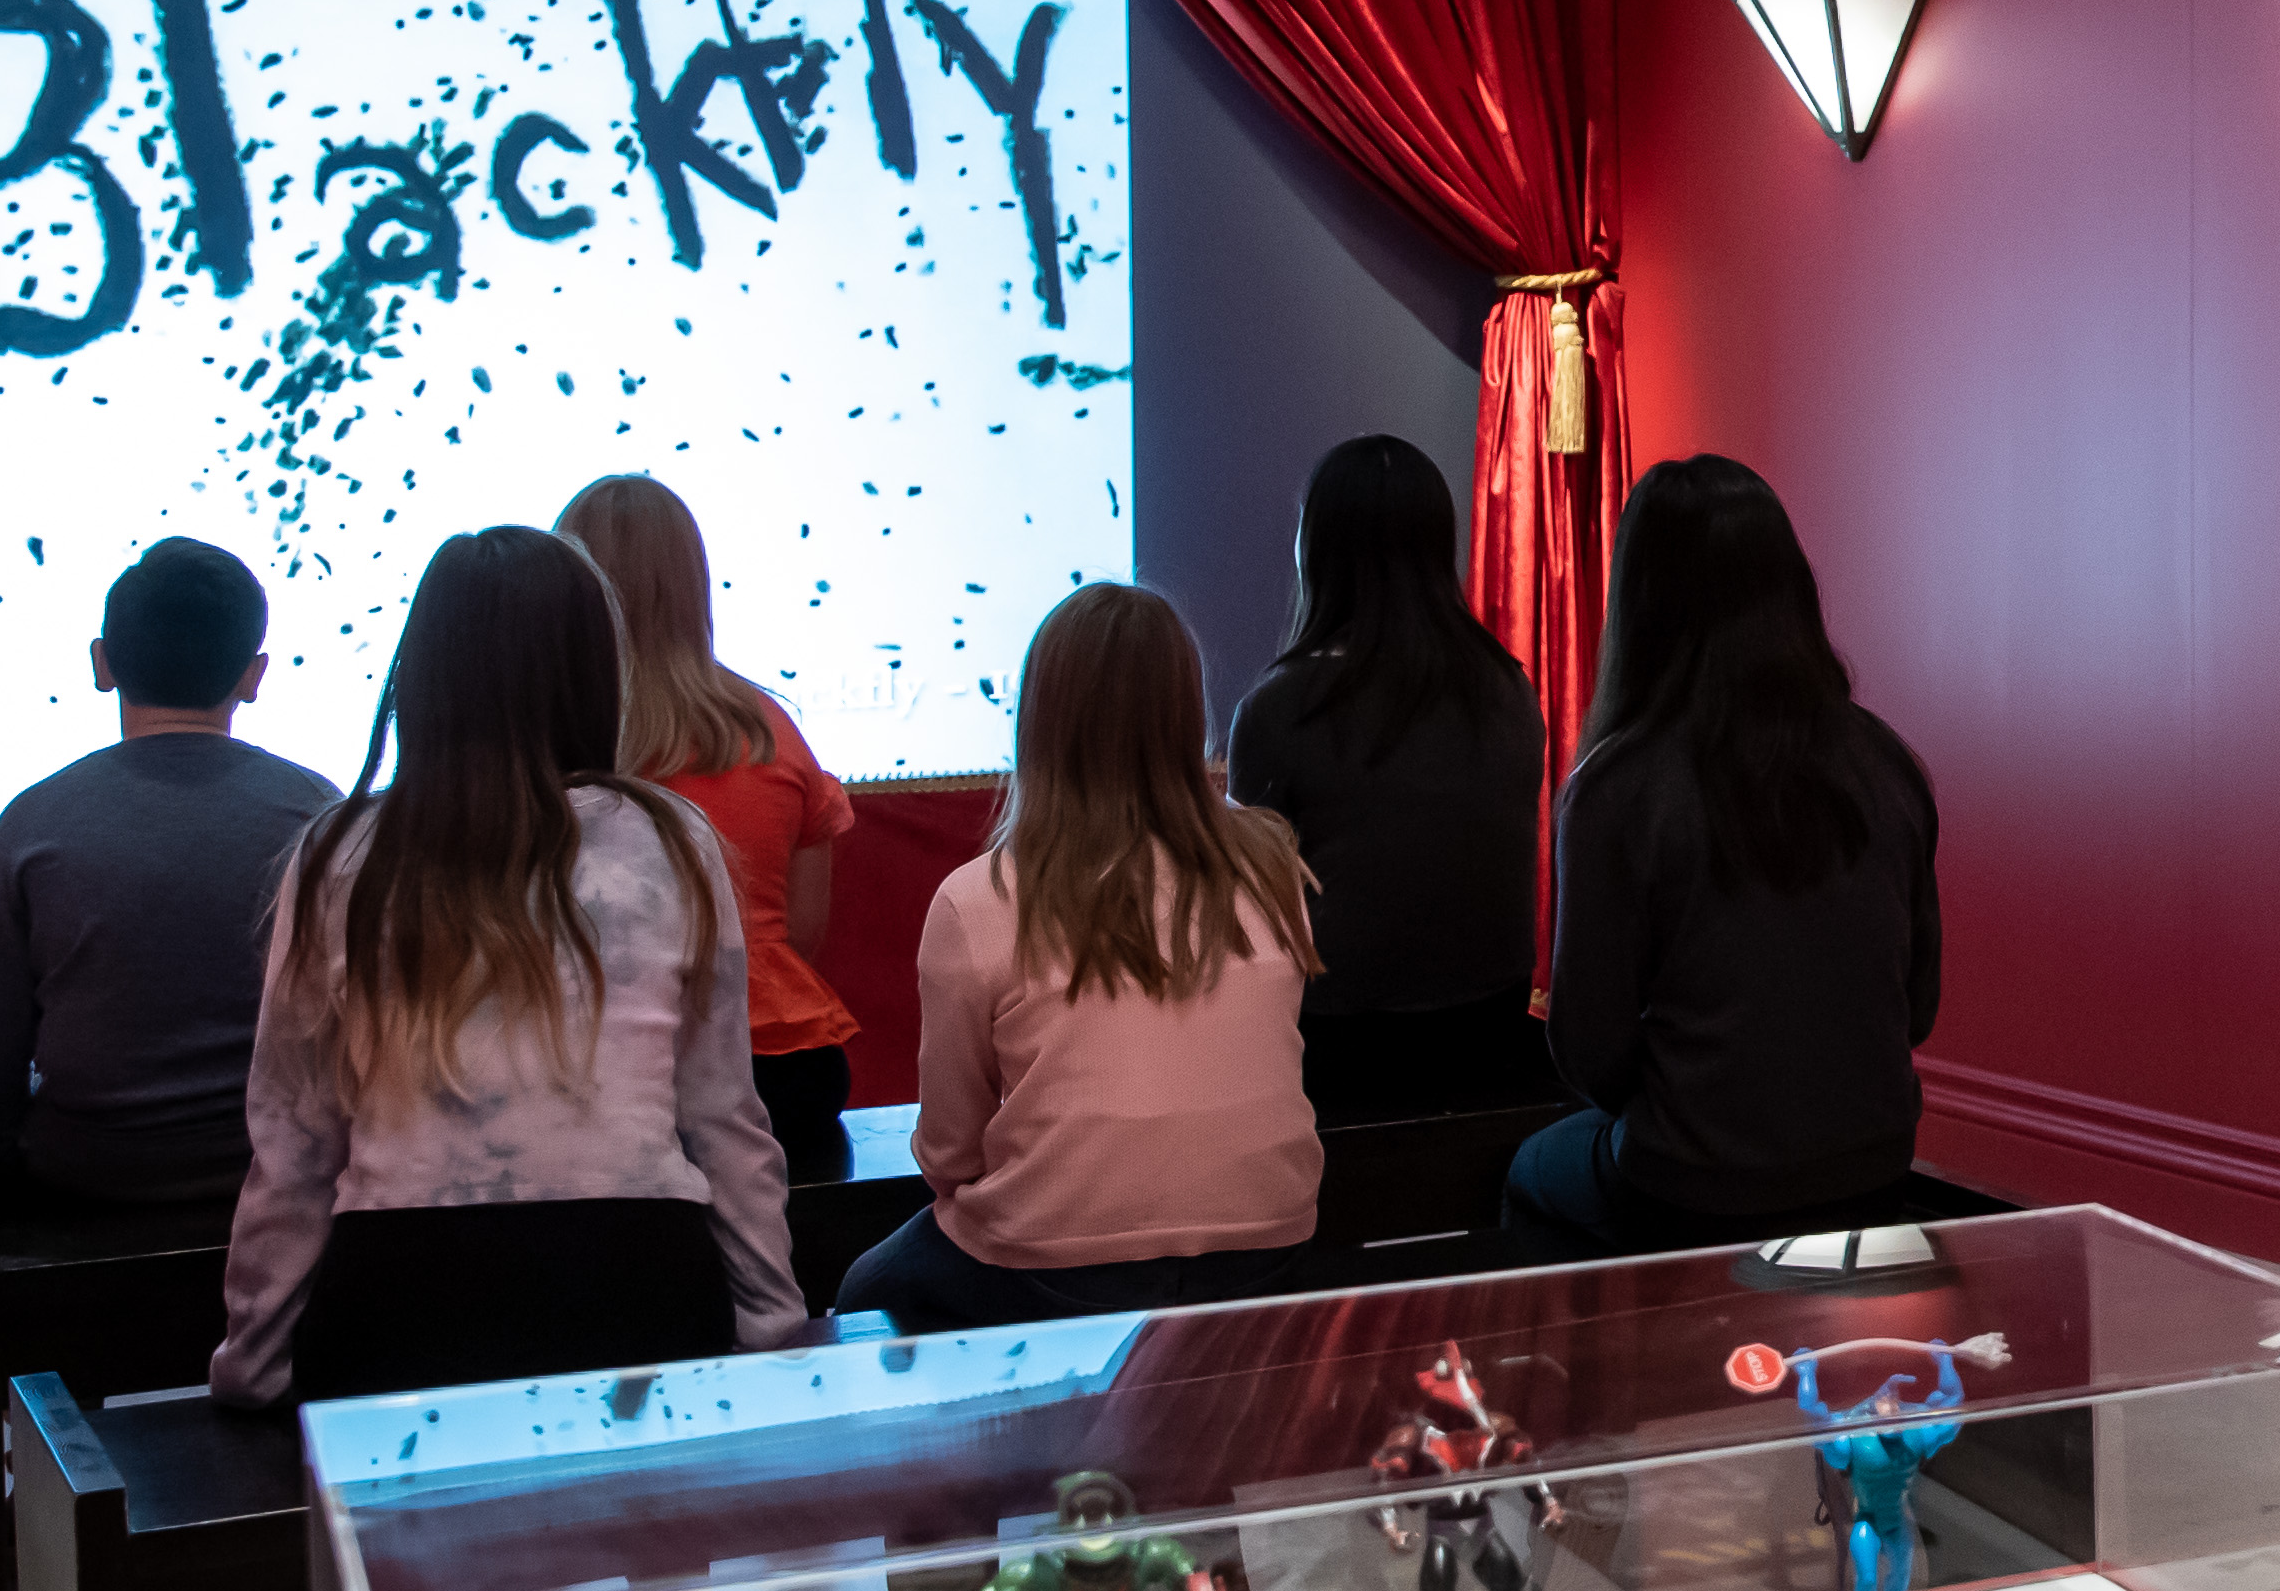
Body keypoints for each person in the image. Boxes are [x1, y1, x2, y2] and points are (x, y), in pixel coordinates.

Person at [212, 525, 797, 1591]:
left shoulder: (339, 857)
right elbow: (724, 1120)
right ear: (590, 673)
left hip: (408, 1311)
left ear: (421, 674)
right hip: (636, 1289)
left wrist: (256, 1354)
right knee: (677, 1585)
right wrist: (769, 1321)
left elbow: (294, 1145)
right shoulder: (672, 843)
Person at [839, 582, 1327, 1336]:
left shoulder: (979, 899)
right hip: (1271, 1245)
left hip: (1048, 1271)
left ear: (1038, 718)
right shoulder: (1273, 871)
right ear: (1186, 714)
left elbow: (950, 1155)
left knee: (863, 1287)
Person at [1502, 456, 1940, 1258]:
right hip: (1877, 1167)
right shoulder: (1888, 762)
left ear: (1640, 605)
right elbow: (1918, 1009)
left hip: (1692, 1184)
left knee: (1533, 1171)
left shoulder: (1617, 787)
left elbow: (1588, 1052)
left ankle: (1597, 1377)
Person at [0, 537, 333, 1212]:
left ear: (102, 663)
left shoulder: (30, 826)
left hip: (88, 1183)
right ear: (253, 675)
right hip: (287, 1182)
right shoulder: (321, 814)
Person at [1226, 435, 1554, 1117]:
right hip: (1491, 1040)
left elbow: (1249, 923)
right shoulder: (1509, 690)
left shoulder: (1279, 708)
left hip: (1336, 1059)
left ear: (1313, 550)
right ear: (1440, 548)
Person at [553, 474, 865, 1169]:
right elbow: (800, 937)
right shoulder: (775, 731)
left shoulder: (562, 743)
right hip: (785, 1067)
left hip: (616, 1076)